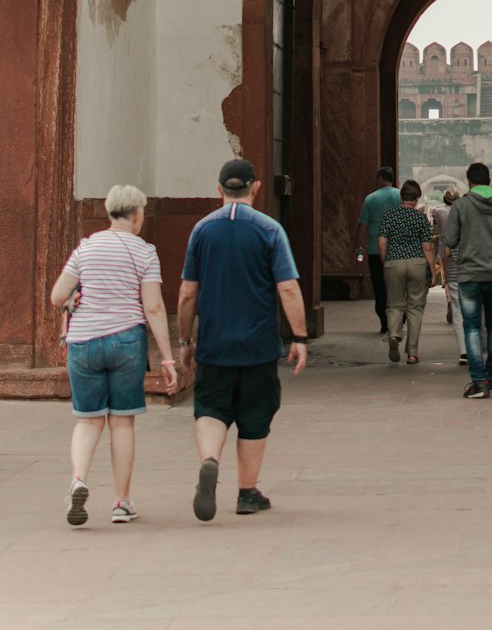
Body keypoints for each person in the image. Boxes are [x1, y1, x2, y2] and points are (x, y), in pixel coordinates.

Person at [177, 158, 308, 522]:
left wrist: (185, 340)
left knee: (211, 409)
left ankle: (209, 460)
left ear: (218, 189)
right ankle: (248, 493)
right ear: (256, 187)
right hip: (258, 346)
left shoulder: (202, 230)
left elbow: (188, 293)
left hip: (215, 345)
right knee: (255, 416)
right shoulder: (270, 230)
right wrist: (299, 336)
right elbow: (287, 287)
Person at [50, 184, 178, 527]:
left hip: (84, 343)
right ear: (138, 216)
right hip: (125, 342)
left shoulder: (86, 248)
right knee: (122, 421)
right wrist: (167, 358)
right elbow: (152, 307)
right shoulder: (145, 252)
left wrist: (74, 297)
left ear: (109, 213)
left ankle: (78, 479)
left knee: (88, 420)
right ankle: (121, 502)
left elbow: (57, 295)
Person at [443, 161, 492, 399]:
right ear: (488, 180)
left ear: (469, 181)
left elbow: (449, 241)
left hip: (470, 276)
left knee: (473, 327)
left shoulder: (462, 206)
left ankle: (479, 380)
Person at [378, 179, 436, 364]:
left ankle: (394, 335)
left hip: (394, 262)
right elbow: (427, 247)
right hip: (417, 263)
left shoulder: (389, 215)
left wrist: (386, 262)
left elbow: (381, 243)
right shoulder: (420, 218)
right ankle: (412, 353)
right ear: (417, 198)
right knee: (415, 308)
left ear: (401, 196)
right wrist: (433, 272)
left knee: (394, 304)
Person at [354, 167, 401, 335]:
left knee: (380, 286)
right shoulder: (400, 196)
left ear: (380, 178)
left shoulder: (371, 199)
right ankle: (398, 319)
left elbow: (362, 225)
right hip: (398, 249)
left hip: (375, 251)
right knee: (397, 285)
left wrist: (358, 245)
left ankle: (384, 322)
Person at [436, 186, 467, 362]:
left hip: (452, 266)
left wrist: (446, 278)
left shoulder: (440, 213)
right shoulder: (469, 224)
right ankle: (475, 346)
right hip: (472, 274)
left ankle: (463, 351)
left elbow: (446, 254)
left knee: (457, 313)